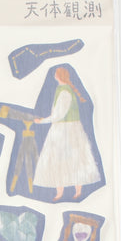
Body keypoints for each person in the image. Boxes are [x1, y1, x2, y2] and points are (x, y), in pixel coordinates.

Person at [32, 67, 102, 200]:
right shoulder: (64, 90)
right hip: (68, 128)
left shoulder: (64, 92)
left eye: (56, 74)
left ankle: (72, 191)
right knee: (68, 159)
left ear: (58, 76)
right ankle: (63, 192)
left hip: (65, 130)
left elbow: (58, 114)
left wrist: (42, 121)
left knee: (65, 159)